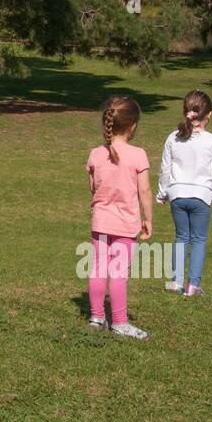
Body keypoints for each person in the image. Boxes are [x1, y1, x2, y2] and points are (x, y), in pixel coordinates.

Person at [84, 96, 152, 339]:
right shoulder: (138, 155)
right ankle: (120, 322)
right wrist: (148, 219)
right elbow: (144, 190)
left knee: (98, 268)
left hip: (100, 223)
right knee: (119, 272)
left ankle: (96, 317)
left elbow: (94, 187)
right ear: (132, 125)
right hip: (125, 225)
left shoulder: (95, 154)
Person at [156, 90, 212, 297]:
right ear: (209, 114)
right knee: (198, 239)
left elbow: (165, 169)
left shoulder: (173, 137)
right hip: (202, 195)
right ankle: (193, 286)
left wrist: (162, 193)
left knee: (181, 237)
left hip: (177, 194)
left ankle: (176, 282)